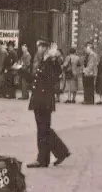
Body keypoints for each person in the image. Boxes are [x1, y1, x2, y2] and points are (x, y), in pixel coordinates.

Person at [27, 39, 71, 168]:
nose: (38, 49)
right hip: (39, 100)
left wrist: (54, 57)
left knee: (43, 130)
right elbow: (35, 80)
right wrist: (20, 71)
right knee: (44, 130)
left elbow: (53, 76)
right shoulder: (43, 61)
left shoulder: (51, 62)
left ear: (45, 48)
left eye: (40, 47)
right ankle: (58, 153)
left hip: (44, 100)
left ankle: (44, 159)